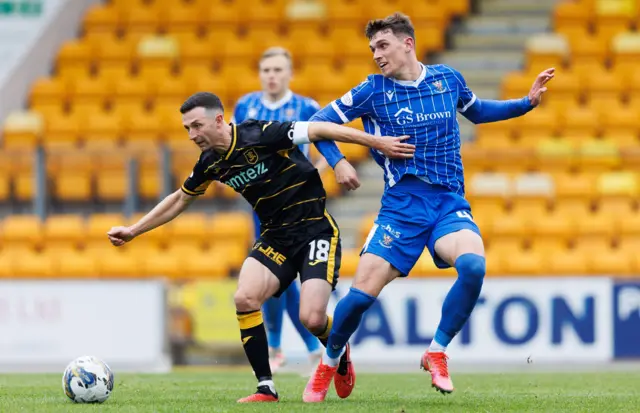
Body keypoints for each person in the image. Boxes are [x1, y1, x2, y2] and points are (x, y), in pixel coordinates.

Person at [302, 12, 554, 402]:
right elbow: (317, 123)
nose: (376, 55)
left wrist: (526, 103)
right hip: (400, 208)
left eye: (382, 45)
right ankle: (330, 359)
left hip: (447, 202)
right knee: (359, 298)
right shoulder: (373, 90)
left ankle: (437, 351)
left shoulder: (447, 79)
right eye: (372, 48)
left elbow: (477, 111)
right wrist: (340, 161)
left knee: (473, 265)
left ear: (408, 43)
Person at [106, 92, 415, 403]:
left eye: (196, 126)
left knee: (312, 318)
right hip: (275, 237)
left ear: (218, 120)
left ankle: (339, 348)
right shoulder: (210, 163)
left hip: (314, 230)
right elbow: (180, 199)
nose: (192, 135)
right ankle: (266, 387)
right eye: (187, 128)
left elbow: (321, 129)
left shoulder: (259, 133)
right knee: (244, 297)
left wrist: (369, 148)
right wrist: (134, 230)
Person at [232, 47, 327, 373]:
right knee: (269, 277)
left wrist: (315, 176)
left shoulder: (306, 106)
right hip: (263, 207)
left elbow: (327, 146)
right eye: (266, 70)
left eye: (277, 70)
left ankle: (290, 347)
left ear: (289, 73)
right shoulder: (246, 105)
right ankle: (282, 346)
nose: (271, 76)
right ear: (260, 74)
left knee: (293, 278)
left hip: (299, 206)